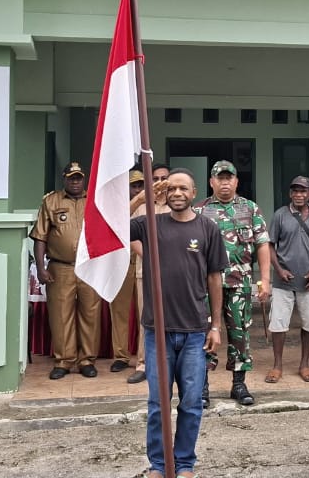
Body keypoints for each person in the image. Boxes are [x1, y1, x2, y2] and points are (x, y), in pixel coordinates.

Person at [130, 168, 228, 478]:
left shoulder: (208, 228)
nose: (176, 193)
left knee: (192, 402)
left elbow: (215, 277)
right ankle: (159, 465)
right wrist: (142, 197)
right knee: (158, 403)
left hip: (195, 332)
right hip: (157, 332)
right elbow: (110, 226)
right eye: (171, 188)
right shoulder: (150, 224)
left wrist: (215, 326)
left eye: (183, 188)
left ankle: (184, 464)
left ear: (194, 193)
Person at [195, 160, 271, 407]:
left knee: (240, 333)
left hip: (240, 283)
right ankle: (202, 386)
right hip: (206, 285)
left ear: (236, 181)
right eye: (220, 178)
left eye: (229, 178)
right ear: (211, 182)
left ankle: (239, 384)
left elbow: (262, 244)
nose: (225, 182)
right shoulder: (200, 210)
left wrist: (265, 280)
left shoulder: (250, 208)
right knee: (205, 333)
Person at [31, 161, 99, 380]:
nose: (75, 182)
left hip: (90, 267)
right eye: (71, 178)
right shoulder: (51, 201)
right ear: (64, 179)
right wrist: (40, 267)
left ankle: (87, 360)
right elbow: (40, 237)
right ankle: (64, 361)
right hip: (60, 267)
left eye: (79, 178)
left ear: (84, 179)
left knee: (90, 314)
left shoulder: (95, 200)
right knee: (61, 316)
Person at [265, 176, 309, 383]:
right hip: (283, 280)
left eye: (303, 191)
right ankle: (277, 365)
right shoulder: (280, 215)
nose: (299, 195)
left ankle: (305, 364)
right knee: (278, 323)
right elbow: (270, 245)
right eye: (295, 191)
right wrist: (278, 269)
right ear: (290, 194)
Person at [127, 163, 171, 385]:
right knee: (147, 318)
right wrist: (151, 256)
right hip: (146, 270)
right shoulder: (141, 205)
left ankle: (168, 364)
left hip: (175, 272)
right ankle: (143, 364)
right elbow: (127, 233)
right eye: (155, 179)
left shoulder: (177, 203)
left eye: (164, 178)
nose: (160, 182)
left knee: (173, 317)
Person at [107, 169, 146, 374]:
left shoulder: (149, 205)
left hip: (141, 262)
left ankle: (143, 356)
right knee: (119, 311)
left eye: (141, 185)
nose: (138, 189)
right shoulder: (118, 204)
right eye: (134, 186)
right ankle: (120, 355)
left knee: (144, 313)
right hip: (121, 263)